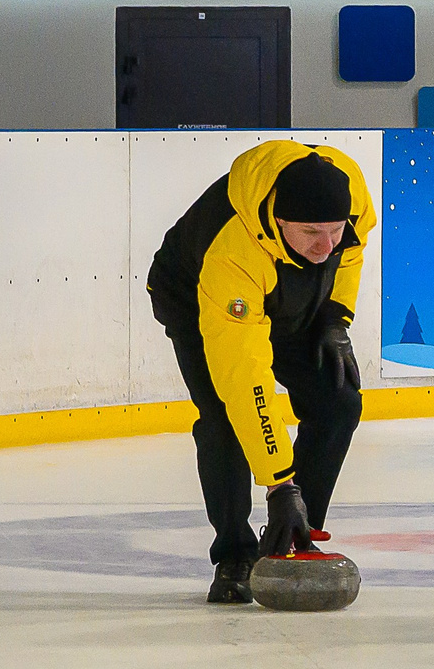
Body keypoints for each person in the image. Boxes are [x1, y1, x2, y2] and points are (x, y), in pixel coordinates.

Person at [146, 141, 375, 604]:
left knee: (339, 400)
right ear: (280, 219)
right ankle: (234, 555)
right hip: (199, 298)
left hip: (286, 289)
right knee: (225, 419)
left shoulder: (349, 199)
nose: (326, 244)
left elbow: (351, 252)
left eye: (334, 230)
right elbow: (246, 377)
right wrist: (279, 483)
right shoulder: (231, 250)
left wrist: (335, 317)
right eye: (313, 232)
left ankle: (295, 534)